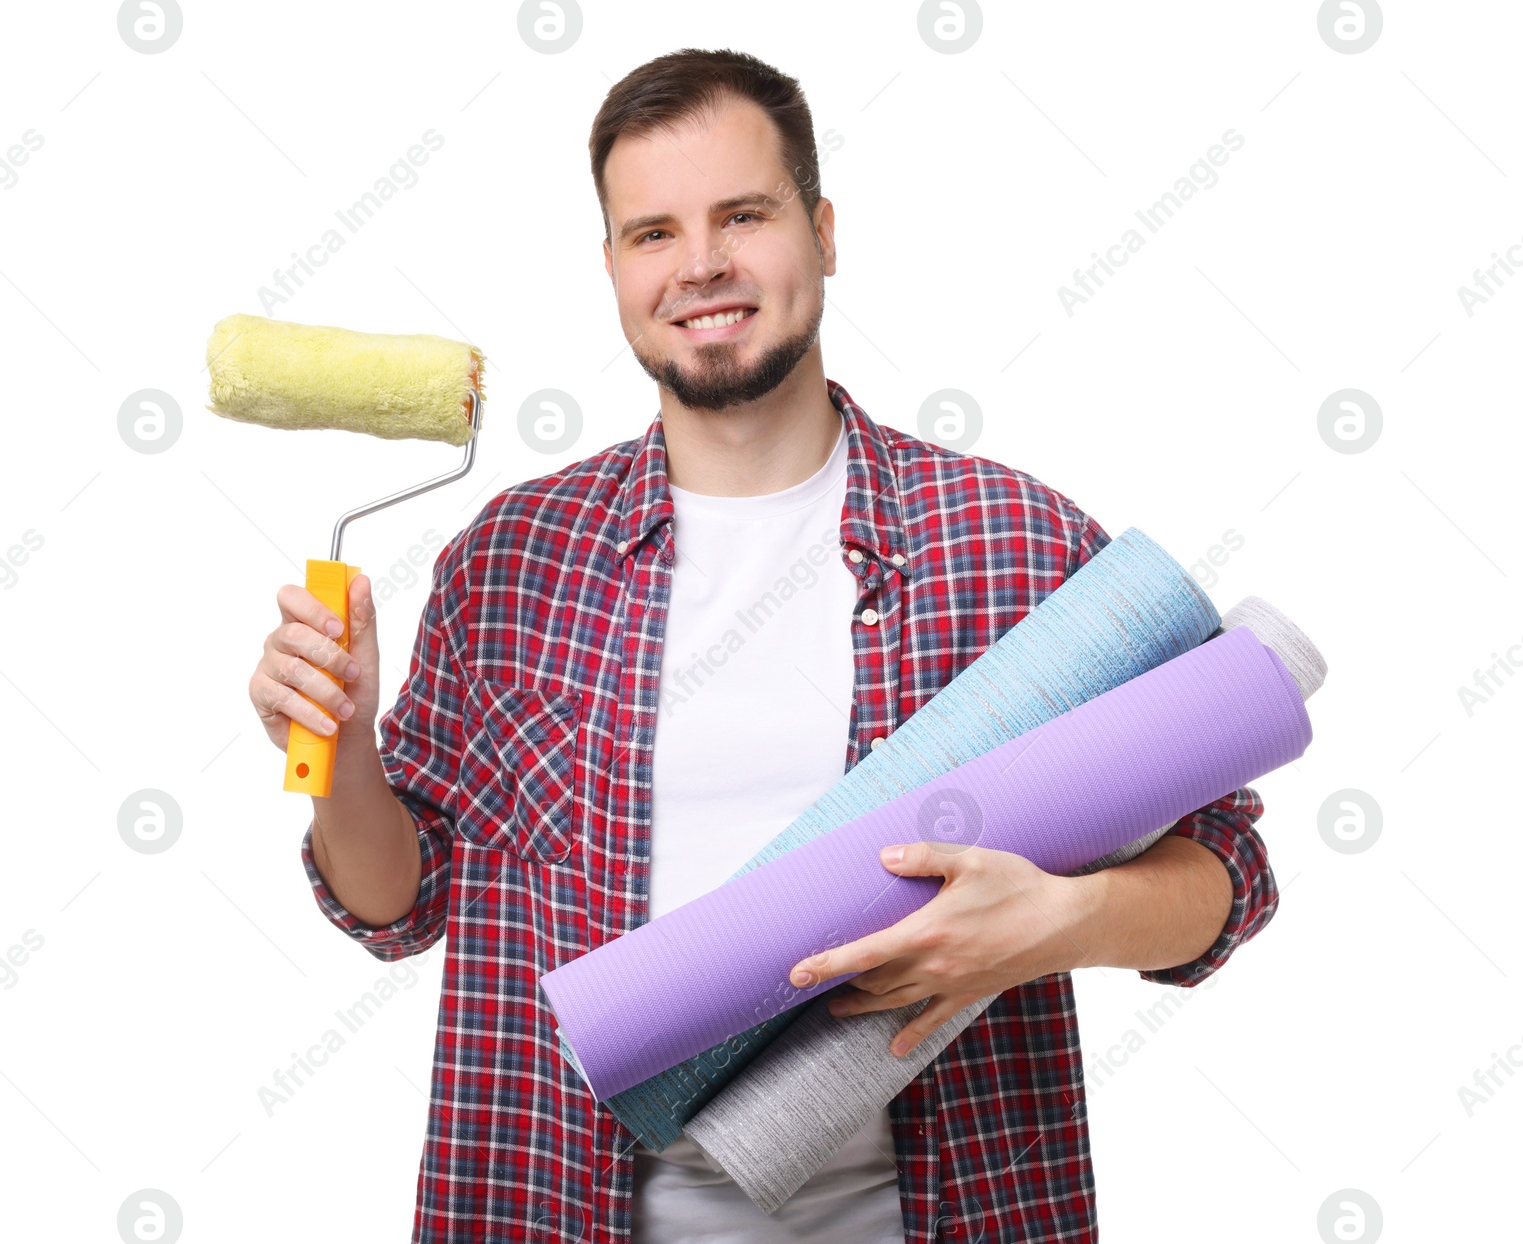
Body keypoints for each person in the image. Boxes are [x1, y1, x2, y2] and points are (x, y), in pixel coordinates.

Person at [249, 47, 1278, 1244]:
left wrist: (1062, 920)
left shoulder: (1019, 545)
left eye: (743, 214)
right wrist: (347, 744)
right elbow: (399, 899)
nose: (701, 266)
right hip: (550, 1200)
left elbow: (1226, 871)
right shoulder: (510, 558)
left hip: (943, 1208)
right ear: (612, 267)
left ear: (823, 230)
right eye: (653, 232)